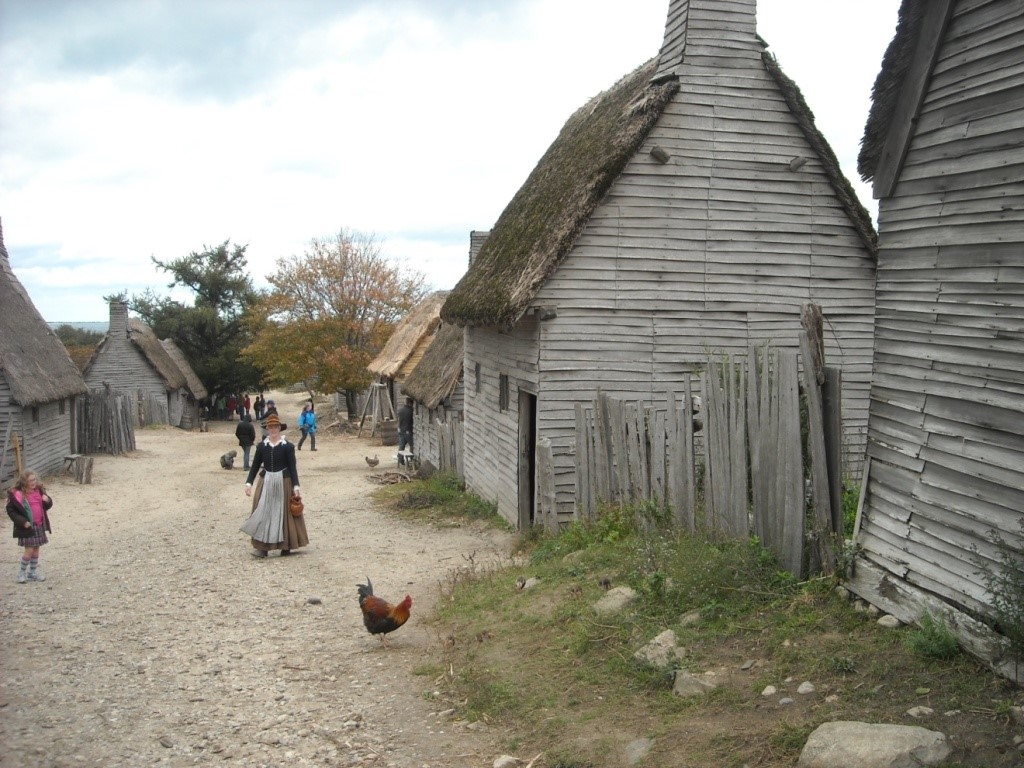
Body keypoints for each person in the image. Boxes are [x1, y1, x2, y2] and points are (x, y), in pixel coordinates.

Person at [240, 412, 308, 558]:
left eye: (275, 426)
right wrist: (249, 483)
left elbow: (292, 467)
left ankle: (286, 545)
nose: (273, 429)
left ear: (279, 428)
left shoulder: (287, 447)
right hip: (266, 482)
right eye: (270, 427)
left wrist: (296, 486)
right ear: (267, 428)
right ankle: (262, 548)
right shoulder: (262, 447)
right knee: (263, 512)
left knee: (284, 514)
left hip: (284, 482)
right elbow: (255, 466)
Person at [6, 469, 54, 583]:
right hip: (27, 527)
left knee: (36, 550)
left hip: (39, 525)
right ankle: (21, 573)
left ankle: (32, 572)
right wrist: (23, 521)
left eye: (34, 479)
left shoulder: (39, 491)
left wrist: (47, 501)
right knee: (29, 550)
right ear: (24, 482)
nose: (33, 482)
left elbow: (47, 506)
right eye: (30, 480)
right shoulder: (18, 494)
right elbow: (11, 511)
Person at [397, 396, 414, 465]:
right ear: (410, 403)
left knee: (401, 446)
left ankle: (400, 459)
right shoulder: (411, 411)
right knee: (412, 445)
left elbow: (399, 420)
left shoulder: (400, 410)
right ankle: (411, 459)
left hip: (401, 430)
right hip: (408, 430)